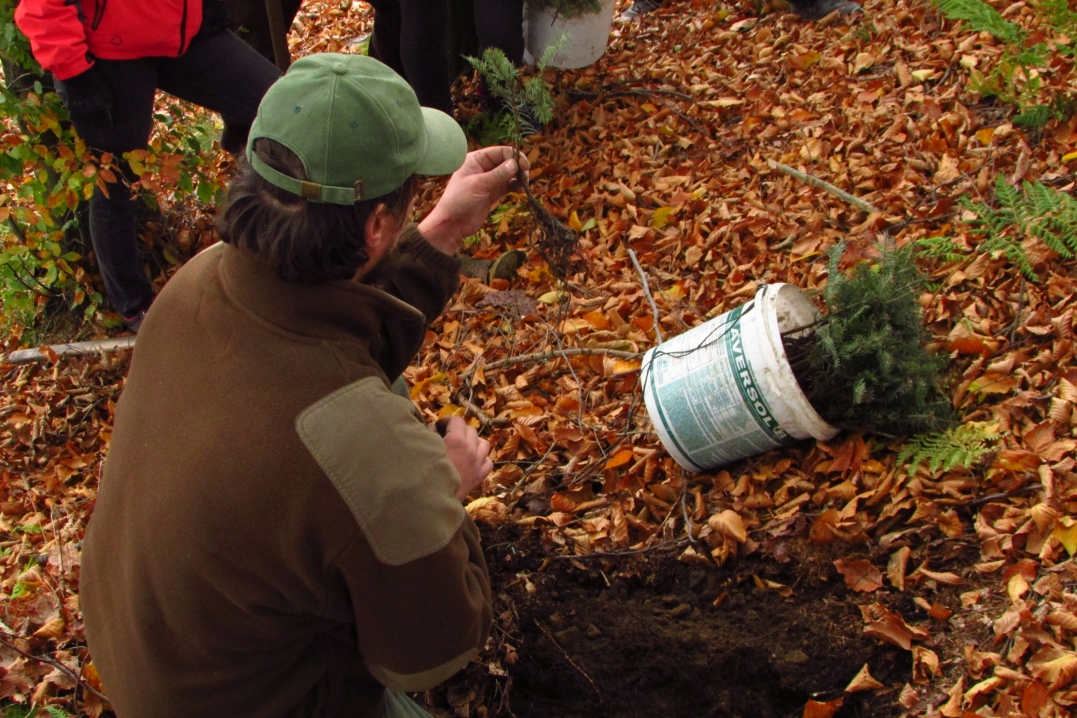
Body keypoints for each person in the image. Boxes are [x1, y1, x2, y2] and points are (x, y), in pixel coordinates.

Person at [79, 53, 527, 718]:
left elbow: (327, 338)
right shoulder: (363, 448)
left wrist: (445, 229)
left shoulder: (199, 283)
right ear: (376, 227)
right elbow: (432, 650)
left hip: (149, 661)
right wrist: (438, 492)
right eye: (408, 196)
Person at [14, 0, 282, 331]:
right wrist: (74, 73)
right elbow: (42, 7)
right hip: (109, 53)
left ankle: (279, 246)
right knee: (117, 182)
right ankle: (136, 309)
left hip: (184, 28)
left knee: (282, 105)